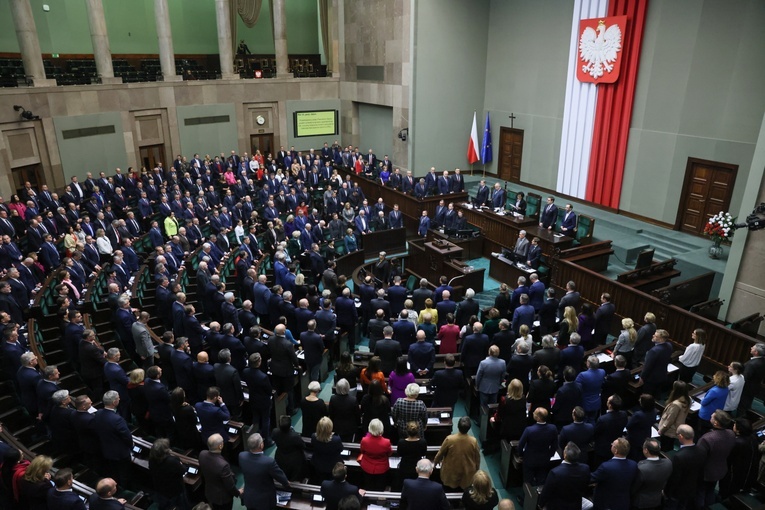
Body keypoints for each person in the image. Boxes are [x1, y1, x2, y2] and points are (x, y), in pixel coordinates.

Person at [239, 433, 290, 510]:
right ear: (261, 445)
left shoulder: (242, 456)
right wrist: (287, 484)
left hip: (249, 498)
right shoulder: (268, 462)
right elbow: (282, 478)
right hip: (264, 502)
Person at [696, 410, 736, 508]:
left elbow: (698, 457)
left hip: (705, 472)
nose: (710, 415)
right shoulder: (731, 433)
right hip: (720, 470)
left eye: (712, 416)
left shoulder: (707, 438)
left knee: (700, 493)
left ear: (716, 423)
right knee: (710, 492)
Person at [537, 442, 591, 510]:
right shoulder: (585, 469)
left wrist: (540, 504)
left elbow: (546, 491)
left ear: (565, 455)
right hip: (576, 505)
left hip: (557, 506)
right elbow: (585, 485)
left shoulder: (555, 472)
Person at [664, 425, 705, 510]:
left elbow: (675, 478)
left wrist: (667, 492)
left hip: (678, 492)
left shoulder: (679, 456)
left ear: (680, 436)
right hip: (692, 489)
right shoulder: (702, 450)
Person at [433, 415, 481, 490]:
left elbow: (440, 453)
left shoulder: (450, 439)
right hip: (467, 474)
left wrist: (435, 462)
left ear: (458, 426)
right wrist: (476, 470)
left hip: (451, 473)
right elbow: (477, 458)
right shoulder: (473, 441)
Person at [590, 438, 638, 510]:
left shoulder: (606, 467)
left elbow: (591, 478)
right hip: (624, 502)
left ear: (616, 451)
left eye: (613, 445)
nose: (611, 445)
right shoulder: (633, 465)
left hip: (606, 504)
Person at [198, 433, 242, 510]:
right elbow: (230, 485)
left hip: (210, 493)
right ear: (220, 446)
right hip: (223, 498)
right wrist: (238, 492)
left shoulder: (202, 454)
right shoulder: (223, 465)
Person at [720, 418, 760, 500]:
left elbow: (728, 459)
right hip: (748, 474)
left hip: (733, 475)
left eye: (735, 425)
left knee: (726, 494)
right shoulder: (753, 438)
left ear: (738, 430)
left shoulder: (737, 443)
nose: (733, 426)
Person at [518, 407, 558, 485]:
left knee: (528, 481)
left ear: (538, 418)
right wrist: (550, 455)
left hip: (529, 459)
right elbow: (555, 445)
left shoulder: (529, 430)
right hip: (544, 459)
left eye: (534, 413)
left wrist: (522, 455)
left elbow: (520, 445)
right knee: (541, 481)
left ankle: (527, 497)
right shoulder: (553, 428)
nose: (533, 414)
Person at [149, 438, 190, 510]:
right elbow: (183, 470)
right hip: (175, 490)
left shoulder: (152, 459)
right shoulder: (171, 461)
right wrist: (179, 463)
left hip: (160, 489)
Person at [631, 438, 672, 510]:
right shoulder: (668, 463)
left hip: (641, 503)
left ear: (646, 450)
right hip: (657, 500)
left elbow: (634, 487)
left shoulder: (641, 468)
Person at [359, 418, 392, 490]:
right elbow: (389, 453)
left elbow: (362, 451)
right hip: (382, 468)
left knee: (368, 486)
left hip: (367, 467)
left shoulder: (364, 440)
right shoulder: (386, 442)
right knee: (380, 488)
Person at [639, 329, 673, 398]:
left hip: (651, 378)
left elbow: (647, 366)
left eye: (655, 336)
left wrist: (642, 377)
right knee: (656, 394)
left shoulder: (654, 351)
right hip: (662, 375)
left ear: (661, 339)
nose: (653, 336)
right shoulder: (669, 345)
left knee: (647, 396)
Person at [658, 380, 691, 451]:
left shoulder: (675, 405)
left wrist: (661, 430)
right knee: (670, 445)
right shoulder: (688, 399)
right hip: (677, 428)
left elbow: (670, 420)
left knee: (665, 447)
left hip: (669, 430)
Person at [271, 415, 306, 482]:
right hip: (294, 460)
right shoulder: (295, 436)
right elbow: (303, 445)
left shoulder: (275, 432)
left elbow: (273, 438)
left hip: (280, 457)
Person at [396, 421, 428, 490]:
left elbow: (399, 454)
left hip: (404, 466)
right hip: (417, 467)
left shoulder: (401, 442)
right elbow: (423, 453)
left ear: (406, 431)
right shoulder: (422, 442)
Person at [311, 416, 344, 483]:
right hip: (333, 466)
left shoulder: (313, 437)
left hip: (318, 464)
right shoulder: (336, 439)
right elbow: (340, 449)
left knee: (321, 480)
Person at [698, 370, 729, 437]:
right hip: (716, 412)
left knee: (701, 431)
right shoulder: (726, 389)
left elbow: (704, 402)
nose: (713, 376)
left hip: (706, 414)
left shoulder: (714, 391)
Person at [575, 355, 605, 423]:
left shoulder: (582, 375)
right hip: (596, 401)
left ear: (588, 363)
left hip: (585, 402)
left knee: (584, 421)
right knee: (592, 420)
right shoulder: (602, 372)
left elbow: (576, 386)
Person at [626, 394, 656, 461]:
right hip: (646, 434)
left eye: (641, 400)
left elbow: (628, 425)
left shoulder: (638, 415)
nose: (639, 400)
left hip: (634, 438)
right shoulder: (654, 412)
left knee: (633, 455)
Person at [739, 343, 765, 415]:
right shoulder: (763, 361)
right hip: (755, 386)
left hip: (746, 388)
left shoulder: (752, 364)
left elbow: (745, 377)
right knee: (747, 404)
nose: (751, 348)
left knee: (742, 406)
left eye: (753, 348)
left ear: (756, 352)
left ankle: (740, 422)